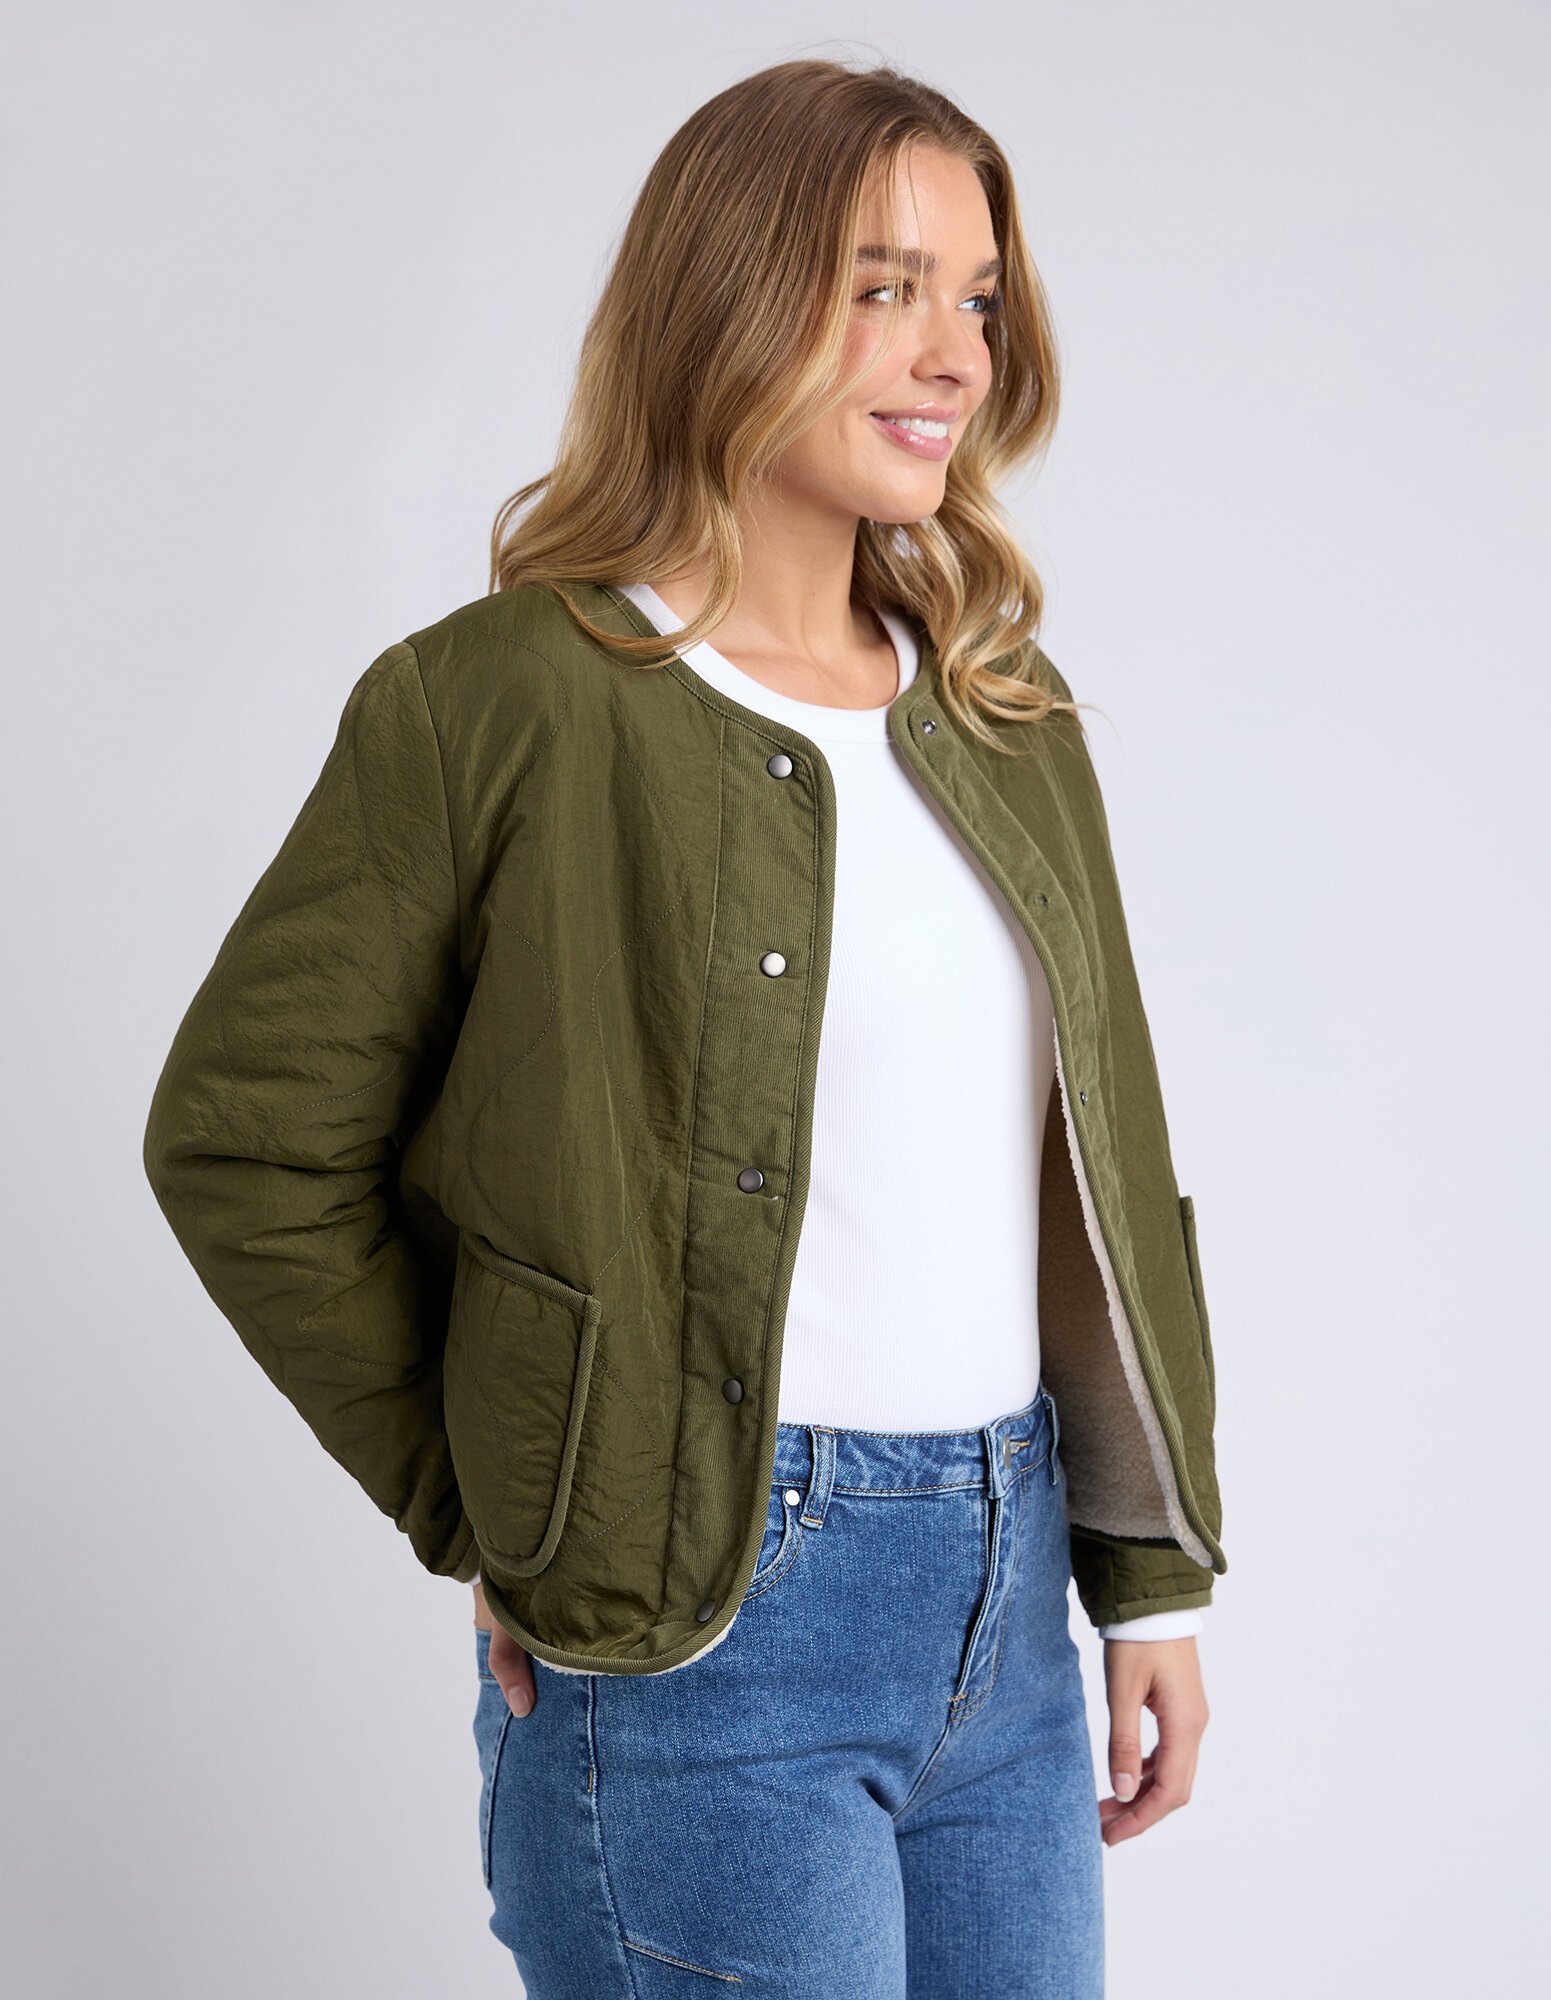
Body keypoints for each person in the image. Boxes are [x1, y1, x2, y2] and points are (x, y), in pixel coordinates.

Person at [144, 56, 1225, 1999]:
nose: (954, 352)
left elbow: (1101, 1171)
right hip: (701, 1648)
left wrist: (1143, 1582)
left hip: (1008, 1616)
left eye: (977, 297)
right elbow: (244, 1137)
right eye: (883, 286)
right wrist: (503, 1500)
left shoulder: (1007, 715)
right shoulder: (500, 703)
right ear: (727, 296)